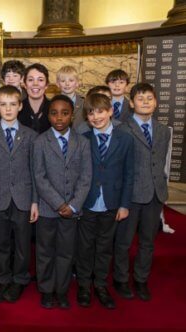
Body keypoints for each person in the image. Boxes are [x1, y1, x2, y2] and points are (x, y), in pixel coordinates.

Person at [76, 93, 134, 310]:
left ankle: (100, 284)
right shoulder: (83, 139)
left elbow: (130, 174)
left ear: (110, 111)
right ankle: (83, 285)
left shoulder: (125, 139)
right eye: (91, 113)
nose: (96, 117)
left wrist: (125, 204)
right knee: (84, 246)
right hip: (88, 203)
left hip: (112, 203)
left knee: (104, 247)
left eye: (100, 111)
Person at [33, 95, 91, 309]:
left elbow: (86, 178)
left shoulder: (83, 143)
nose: (59, 118)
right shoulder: (40, 142)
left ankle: (62, 290)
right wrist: (59, 204)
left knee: (66, 252)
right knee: (45, 251)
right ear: (48, 115)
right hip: (48, 209)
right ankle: (47, 290)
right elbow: (39, 177)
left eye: (65, 113)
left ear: (72, 115)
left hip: (72, 210)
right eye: (54, 113)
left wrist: (73, 205)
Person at [113, 83, 170, 302]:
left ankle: (141, 279)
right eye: (140, 98)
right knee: (124, 241)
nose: (145, 102)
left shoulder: (163, 130)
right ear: (131, 102)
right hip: (130, 195)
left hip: (155, 194)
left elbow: (159, 162)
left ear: (155, 102)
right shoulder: (121, 129)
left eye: (149, 98)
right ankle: (120, 279)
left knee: (148, 241)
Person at [0, 86, 38, 303]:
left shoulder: (31, 136)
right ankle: (4, 278)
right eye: (3, 104)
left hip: (23, 198)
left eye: (13, 104)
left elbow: (35, 171)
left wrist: (35, 201)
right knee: (1, 243)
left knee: (23, 243)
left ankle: (20, 279)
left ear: (20, 106)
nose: (8, 108)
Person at [18, 63, 51, 135]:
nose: (35, 84)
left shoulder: (54, 108)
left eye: (40, 80)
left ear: (47, 85)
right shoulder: (16, 109)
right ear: (25, 84)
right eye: (30, 80)